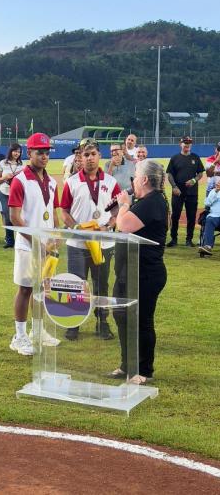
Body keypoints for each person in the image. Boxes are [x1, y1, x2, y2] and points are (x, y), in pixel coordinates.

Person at [109, 160, 168, 384]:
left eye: (135, 175)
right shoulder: (143, 202)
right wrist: (121, 209)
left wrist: (124, 204)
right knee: (122, 316)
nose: (132, 180)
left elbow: (124, 226)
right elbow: (120, 225)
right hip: (129, 271)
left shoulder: (153, 202)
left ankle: (144, 370)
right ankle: (127, 365)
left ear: (144, 179)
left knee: (142, 320)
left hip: (145, 273)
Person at [60, 139, 121, 341]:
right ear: (80, 158)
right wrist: (75, 227)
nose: (89, 158)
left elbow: (117, 209)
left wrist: (109, 225)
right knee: (77, 284)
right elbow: (64, 211)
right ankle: (74, 323)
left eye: (93, 154)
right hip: (77, 243)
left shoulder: (111, 182)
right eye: (85, 155)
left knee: (101, 284)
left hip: (103, 242)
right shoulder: (71, 182)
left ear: (99, 156)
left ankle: (102, 322)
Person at [8, 132, 60, 356]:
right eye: (40, 152)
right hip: (29, 245)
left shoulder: (52, 181)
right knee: (26, 288)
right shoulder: (20, 180)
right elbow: (15, 217)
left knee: (41, 289)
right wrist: (37, 241)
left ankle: (37, 331)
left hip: (48, 246)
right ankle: (19, 336)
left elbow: (53, 212)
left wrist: (56, 237)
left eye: (47, 152)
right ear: (29, 153)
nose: (44, 156)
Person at [166, 136, 205, 247]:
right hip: (178, 192)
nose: (187, 144)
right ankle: (174, 239)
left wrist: (194, 180)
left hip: (192, 192)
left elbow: (201, 173)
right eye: (185, 142)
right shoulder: (175, 158)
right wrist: (174, 187)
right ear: (180, 144)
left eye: (189, 143)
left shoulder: (195, 157)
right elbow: (170, 174)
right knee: (175, 216)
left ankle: (189, 240)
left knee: (191, 217)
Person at [0, 143, 24, 248]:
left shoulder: (22, 164)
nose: (17, 153)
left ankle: (21, 240)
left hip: (16, 194)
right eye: (15, 151)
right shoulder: (3, 163)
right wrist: (4, 178)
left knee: (18, 217)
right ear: (11, 151)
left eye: (19, 152)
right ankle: (10, 241)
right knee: (7, 216)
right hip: (4, 193)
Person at [199, 181, 220, 256]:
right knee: (209, 219)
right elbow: (207, 203)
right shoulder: (213, 191)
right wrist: (216, 192)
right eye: (218, 182)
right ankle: (207, 246)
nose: (218, 184)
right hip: (214, 216)